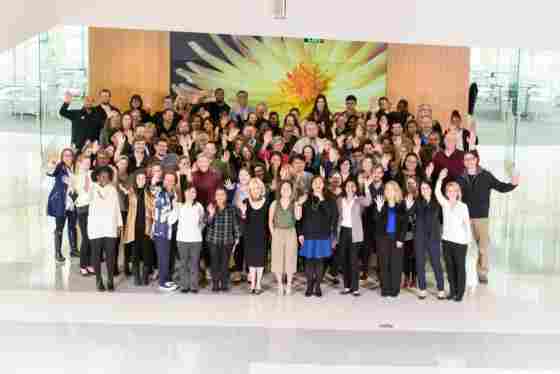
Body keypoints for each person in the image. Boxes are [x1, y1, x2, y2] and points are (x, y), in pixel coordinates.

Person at [457, 151, 519, 284]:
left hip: (481, 218)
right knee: (462, 246)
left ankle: (482, 273)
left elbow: (500, 187)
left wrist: (513, 184)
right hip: (464, 218)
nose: (469, 161)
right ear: (463, 162)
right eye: (466, 159)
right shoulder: (460, 177)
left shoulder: (486, 175)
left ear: (476, 160)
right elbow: (453, 195)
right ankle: (461, 272)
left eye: (471, 159)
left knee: (483, 248)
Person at [435, 169, 472, 302]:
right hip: (446, 241)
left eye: (454, 191)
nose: (451, 193)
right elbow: (437, 193)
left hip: (460, 243)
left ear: (458, 193)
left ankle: (460, 293)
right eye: (449, 191)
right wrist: (440, 179)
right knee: (449, 268)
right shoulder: (444, 204)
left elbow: (467, 225)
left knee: (459, 268)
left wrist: (468, 241)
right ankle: (452, 291)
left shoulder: (463, 207)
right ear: (447, 193)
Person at [297, 176, 339, 297]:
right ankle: (309, 285)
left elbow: (333, 216)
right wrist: (300, 233)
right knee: (309, 261)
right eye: (315, 182)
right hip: (308, 234)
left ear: (323, 185)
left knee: (320, 261)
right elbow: (299, 218)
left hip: (323, 234)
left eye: (320, 182)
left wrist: (322, 199)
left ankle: (318, 286)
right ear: (311, 185)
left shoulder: (330, 199)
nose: (317, 184)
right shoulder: (306, 198)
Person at [405, 179, 446, 300]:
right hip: (419, 237)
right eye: (422, 188)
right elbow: (409, 214)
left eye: (427, 188)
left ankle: (441, 289)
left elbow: (444, 218)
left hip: (433, 237)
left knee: (436, 263)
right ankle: (422, 289)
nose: (424, 190)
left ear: (431, 189)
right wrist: (408, 206)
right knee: (420, 263)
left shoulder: (437, 201)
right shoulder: (418, 201)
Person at [88, 166, 123, 292]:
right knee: (96, 255)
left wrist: (119, 224)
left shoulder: (113, 190)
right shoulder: (92, 188)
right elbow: (84, 198)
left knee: (110, 255)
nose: (104, 177)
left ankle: (110, 280)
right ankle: (98, 280)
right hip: (95, 227)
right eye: (102, 175)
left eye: (107, 175)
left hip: (110, 227)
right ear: (97, 177)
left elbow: (117, 208)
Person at [335, 178, 372, 296]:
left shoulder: (359, 200)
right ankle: (346, 286)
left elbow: (368, 202)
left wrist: (366, 187)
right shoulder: (340, 200)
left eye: (353, 186)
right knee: (344, 260)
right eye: (348, 186)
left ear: (356, 188)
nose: (350, 188)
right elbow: (338, 216)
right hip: (343, 231)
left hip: (355, 232)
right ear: (344, 188)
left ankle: (355, 288)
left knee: (353, 260)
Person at [372, 181, 408, 297]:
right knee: (383, 264)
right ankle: (385, 289)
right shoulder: (381, 203)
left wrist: (401, 239)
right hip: (382, 238)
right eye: (386, 189)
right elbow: (376, 221)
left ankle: (394, 289)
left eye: (391, 189)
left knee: (395, 264)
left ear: (396, 191)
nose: (388, 191)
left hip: (396, 239)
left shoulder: (402, 205)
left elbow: (404, 224)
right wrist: (378, 209)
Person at [269, 180, 302, 296]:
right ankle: (280, 284)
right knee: (277, 259)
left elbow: (298, 218)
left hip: (291, 232)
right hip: (278, 232)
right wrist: (274, 234)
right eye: (283, 188)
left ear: (291, 190)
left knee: (290, 258)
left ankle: (288, 285)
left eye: (288, 188)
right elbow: (270, 221)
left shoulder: (295, 203)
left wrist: (298, 206)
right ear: (280, 190)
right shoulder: (274, 203)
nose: (285, 190)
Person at [206, 188, 241, 292]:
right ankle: (215, 284)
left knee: (225, 263)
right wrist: (211, 214)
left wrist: (237, 236)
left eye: (222, 194)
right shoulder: (211, 208)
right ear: (215, 197)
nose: (220, 197)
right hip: (213, 240)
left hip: (227, 240)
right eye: (218, 195)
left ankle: (224, 284)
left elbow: (235, 223)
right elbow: (207, 223)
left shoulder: (231, 208)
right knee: (215, 263)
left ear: (226, 197)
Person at [123, 169, 154, 286]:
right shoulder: (130, 192)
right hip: (134, 227)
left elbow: (153, 208)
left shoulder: (150, 192)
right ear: (135, 180)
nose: (141, 180)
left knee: (147, 252)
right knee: (135, 252)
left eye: (143, 178)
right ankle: (136, 276)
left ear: (146, 180)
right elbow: (127, 207)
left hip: (146, 227)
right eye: (139, 178)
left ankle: (145, 275)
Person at [47, 148, 78, 263]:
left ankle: (74, 249)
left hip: (72, 202)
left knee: (72, 226)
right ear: (62, 157)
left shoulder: (74, 168)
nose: (68, 157)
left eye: (70, 155)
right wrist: (52, 164)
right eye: (65, 155)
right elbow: (51, 172)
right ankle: (58, 252)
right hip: (61, 202)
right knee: (59, 228)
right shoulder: (60, 166)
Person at [238, 178, 268, 294]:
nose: (255, 190)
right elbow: (242, 221)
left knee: (260, 261)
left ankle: (259, 284)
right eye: (253, 188)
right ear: (250, 190)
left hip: (262, 235)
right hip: (249, 235)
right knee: (251, 260)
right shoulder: (245, 202)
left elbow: (269, 220)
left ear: (261, 189)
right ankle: (253, 283)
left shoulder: (266, 202)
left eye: (257, 188)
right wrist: (244, 213)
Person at [176, 184, 206, 293]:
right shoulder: (179, 206)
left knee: (194, 263)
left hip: (196, 240)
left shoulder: (199, 206)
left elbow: (203, 221)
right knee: (183, 263)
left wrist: (198, 230)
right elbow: (172, 220)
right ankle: (184, 285)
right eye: (188, 192)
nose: (190, 194)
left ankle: (194, 286)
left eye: (193, 192)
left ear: (195, 194)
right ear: (184, 193)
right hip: (182, 239)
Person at [152, 172, 179, 291]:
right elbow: (152, 188)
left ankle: (167, 279)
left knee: (169, 257)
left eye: (172, 180)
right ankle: (162, 282)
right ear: (163, 181)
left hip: (171, 230)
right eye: (167, 179)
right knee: (163, 257)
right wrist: (155, 179)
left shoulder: (174, 194)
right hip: (161, 230)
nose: (169, 182)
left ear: (175, 182)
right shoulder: (160, 192)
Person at [72, 153, 94, 275]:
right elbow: (73, 195)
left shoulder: (91, 174)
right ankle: (82, 265)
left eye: (89, 163)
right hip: (82, 209)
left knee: (91, 237)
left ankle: (89, 264)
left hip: (93, 209)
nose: (87, 165)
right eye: (85, 163)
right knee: (86, 237)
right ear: (79, 163)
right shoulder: (75, 178)